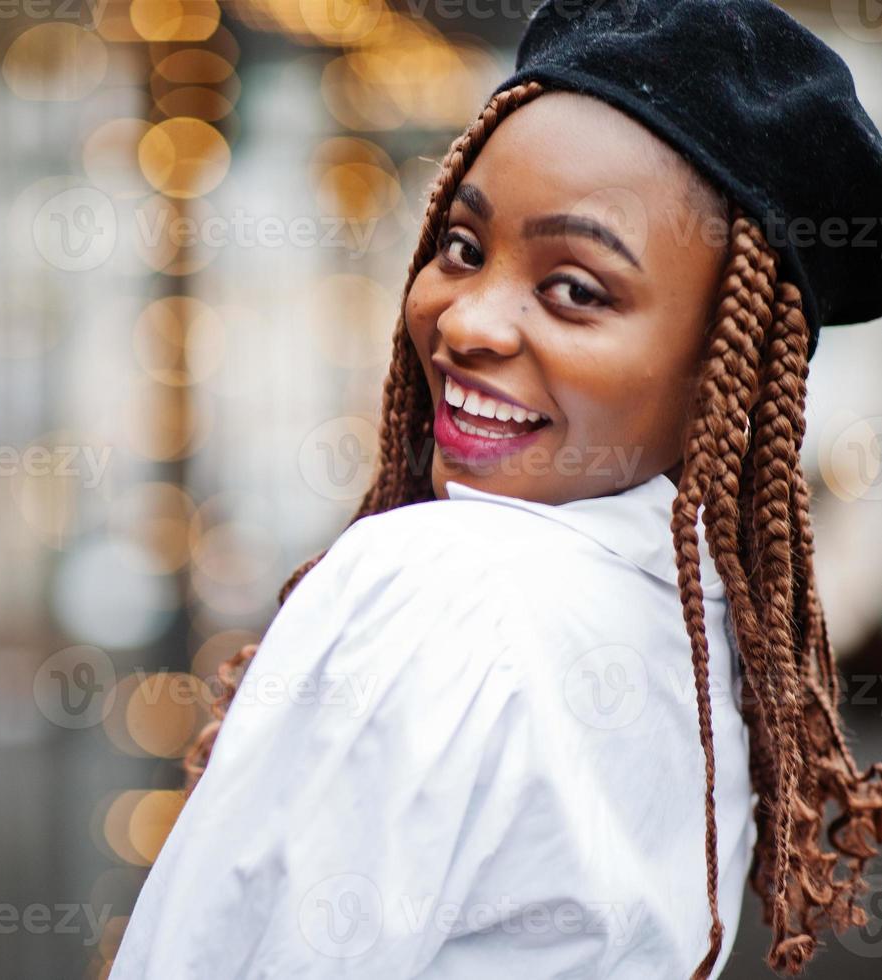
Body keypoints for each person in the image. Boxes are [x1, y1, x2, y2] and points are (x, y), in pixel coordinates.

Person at [110, 1, 882, 977]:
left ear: (721, 375)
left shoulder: (447, 584)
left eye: (575, 289)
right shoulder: (699, 636)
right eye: (463, 248)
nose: (467, 320)